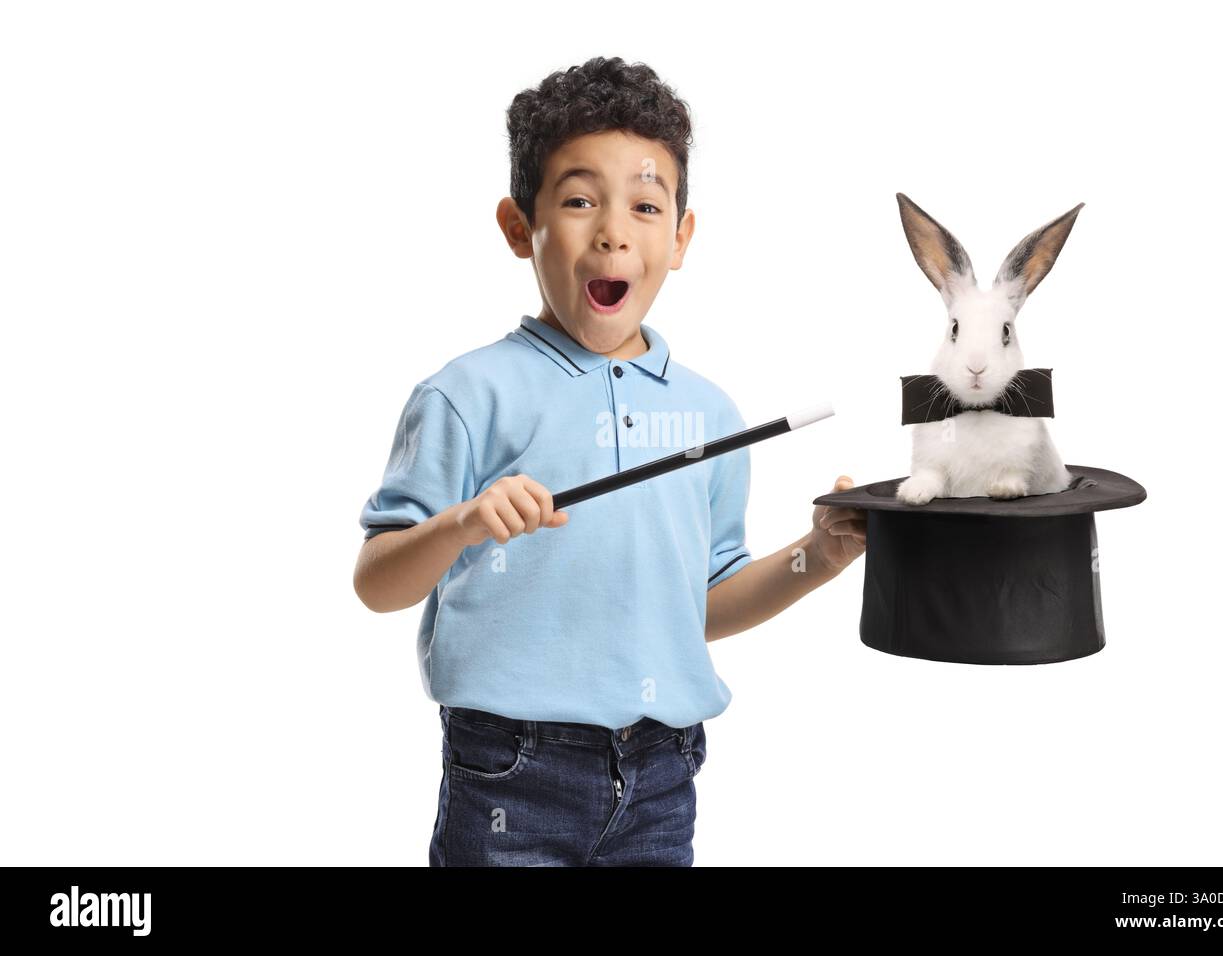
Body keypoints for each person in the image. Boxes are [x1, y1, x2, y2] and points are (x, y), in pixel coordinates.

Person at [354, 56, 868, 866]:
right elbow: (377, 581)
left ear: (680, 237)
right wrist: (459, 525)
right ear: (521, 226)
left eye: (645, 205)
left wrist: (820, 557)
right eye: (580, 199)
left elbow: (702, 605)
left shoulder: (712, 416)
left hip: (665, 772)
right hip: (509, 773)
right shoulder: (465, 395)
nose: (613, 231)